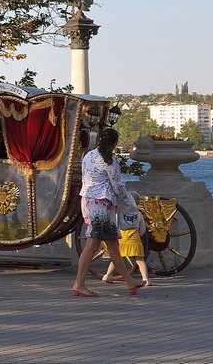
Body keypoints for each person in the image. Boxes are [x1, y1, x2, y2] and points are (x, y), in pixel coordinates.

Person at [72, 127, 147, 297]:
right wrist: (130, 201)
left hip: (88, 201)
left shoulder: (89, 156)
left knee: (110, 244)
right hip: (101, 205)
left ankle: (129, 282)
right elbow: (118, 187)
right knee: (94, 245)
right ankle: (79, 284)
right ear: (114, 144)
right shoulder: (109, 161)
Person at [102, 190, 150, 286]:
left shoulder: (120, 213)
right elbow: (142, 229)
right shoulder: (139, 214)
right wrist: (138, 236)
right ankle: (145, 279)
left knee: (116, 259)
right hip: (134, 239)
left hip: (122, 238)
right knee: (140, 260)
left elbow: (116, 224)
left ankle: (107, 275)